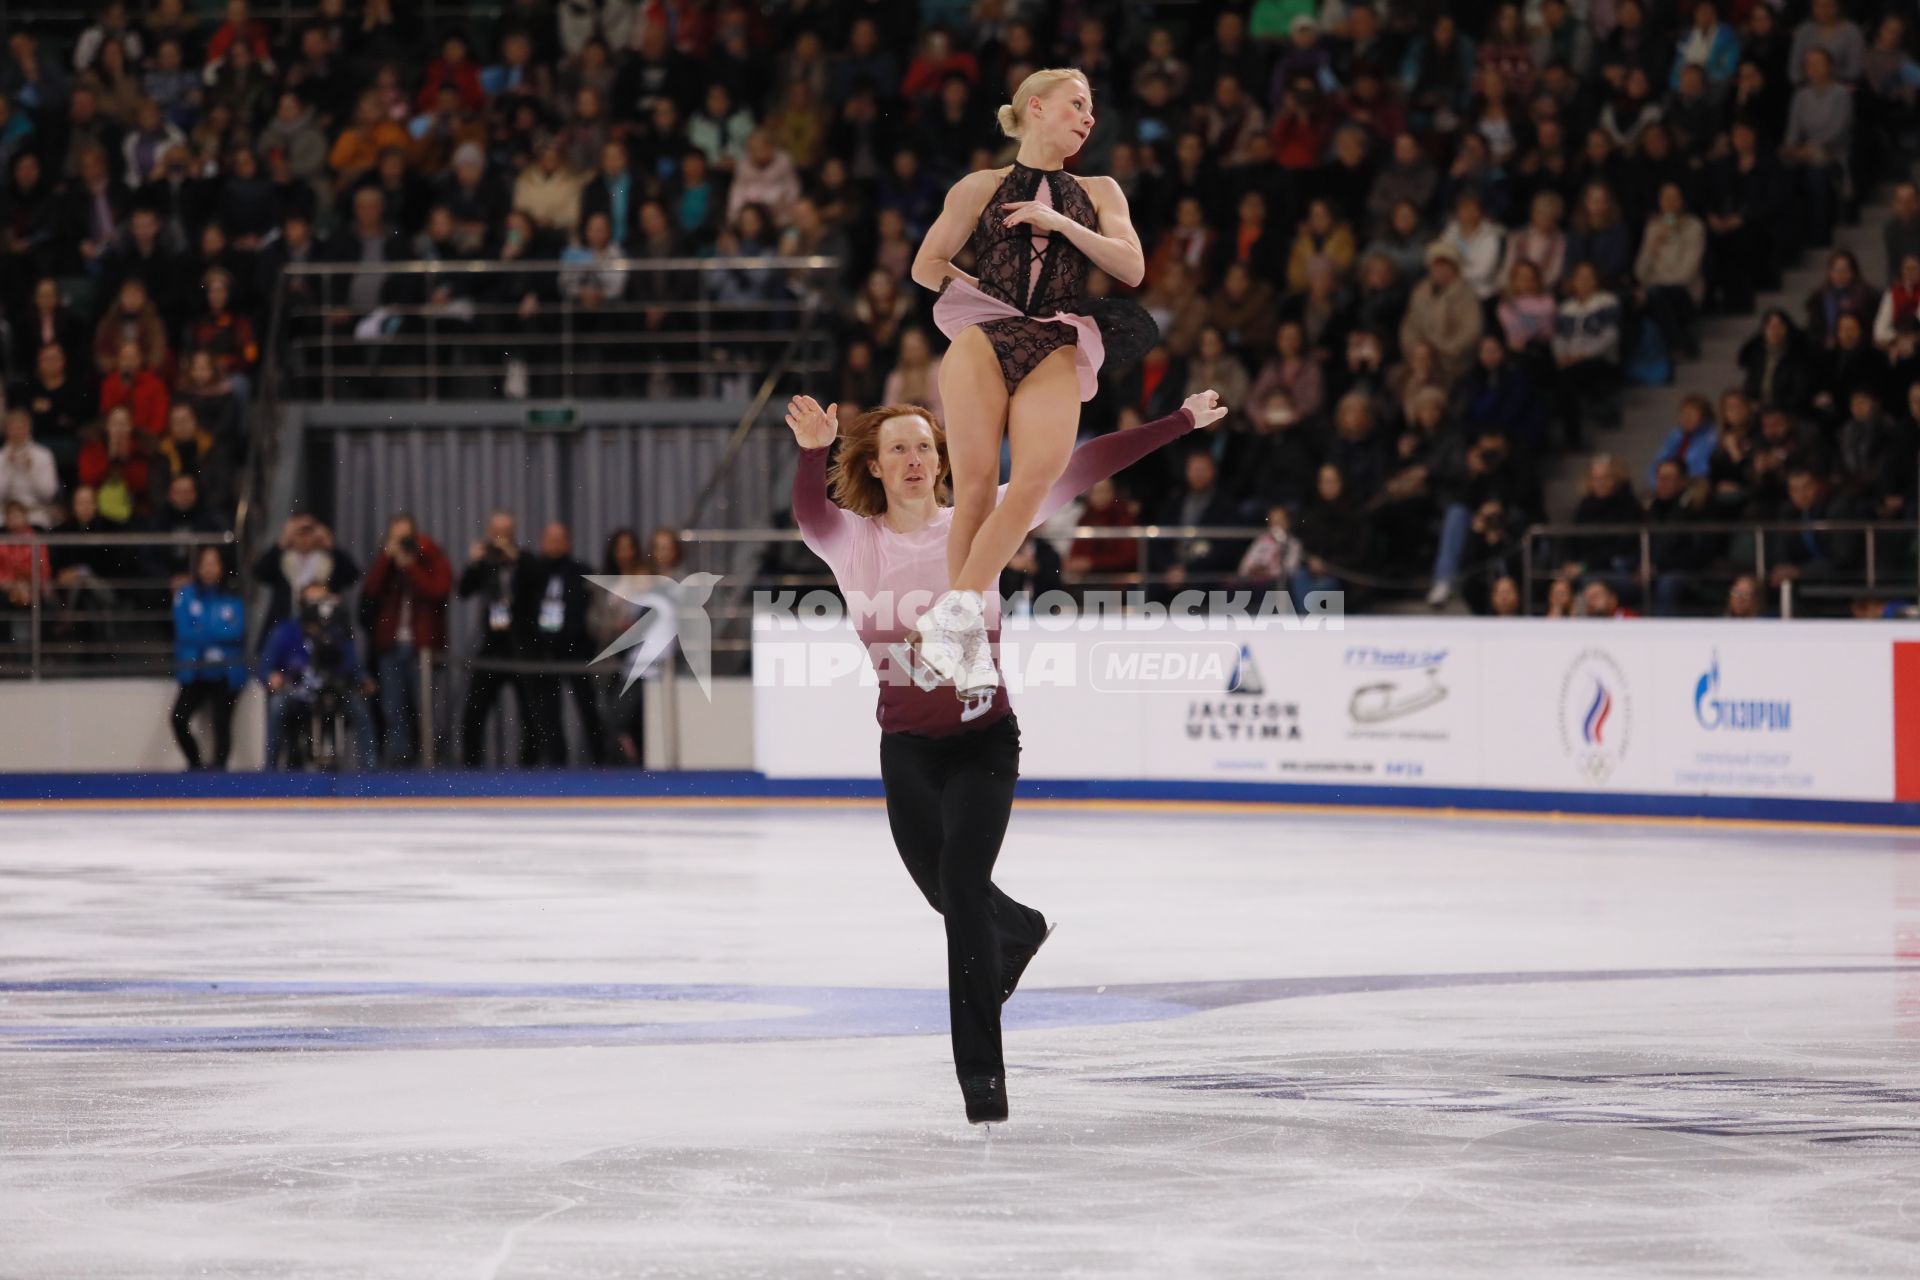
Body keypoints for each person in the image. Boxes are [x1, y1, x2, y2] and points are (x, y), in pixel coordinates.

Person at [782, 386, 1225, 1125]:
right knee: (948, 896)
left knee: (960, 888)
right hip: (907, 750)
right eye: (898, 448)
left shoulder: (982, 523)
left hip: (986, 742)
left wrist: (1178, 423)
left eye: (925, 445)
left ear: (943, 460)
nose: (915, 458)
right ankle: (1017, 928)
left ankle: (982, 1083)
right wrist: (809, 452)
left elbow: (1080, 467)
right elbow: (809, 515)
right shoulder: (853, 540)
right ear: (876, 466)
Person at [909, 67, 1154, 699]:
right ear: (1036, 108)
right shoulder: (981, 186)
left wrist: (1064, 224)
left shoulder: (1100, 190)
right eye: (1077, 104)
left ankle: (954, 612)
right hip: (984, 335)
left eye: (1093, 108)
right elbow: (925, 265)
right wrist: (984, 296)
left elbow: (1131, 265)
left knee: (1039, 478)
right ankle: (964, 634)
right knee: (976, 488)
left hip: (1054, 337)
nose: (1088, 116)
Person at [359, 513, 452, 767]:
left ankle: (432, 760)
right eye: (395, 537)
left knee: (426, 707)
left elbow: (438, 590)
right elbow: (371, 592)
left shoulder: (431, 557)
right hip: (391, 645)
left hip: (423, 646)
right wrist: (388, 558)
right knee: (393, 706)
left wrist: (412, 563)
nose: (401, 543)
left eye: (405, 538)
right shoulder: (387, 563)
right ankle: (398, 760)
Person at [515, 521, 605, 767]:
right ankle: (555, 763)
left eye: (559, 539)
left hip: (576, 649)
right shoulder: (532, 571)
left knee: (587, 708)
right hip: (543, 651)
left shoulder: (581, 571)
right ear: (542, 541)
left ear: (568, 542)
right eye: (550, 539)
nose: (555, 544)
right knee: (547, 713)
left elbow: (591, 611)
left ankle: (602, 762)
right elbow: (521, 609)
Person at [457, 510, 531, 767]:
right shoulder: (485, 563)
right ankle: (472, 766)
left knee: (530, 711)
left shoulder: (525, 560)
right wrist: (472, 563)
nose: (502, 538)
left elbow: (536, 585)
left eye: (507, 532)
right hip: (491, 644)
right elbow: (463, 590)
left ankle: (530, 767)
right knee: (474, 710)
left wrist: (516, 560)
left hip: (520, 645)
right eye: (497, 532)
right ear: (489, 533)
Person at [170, 545, 246, 771]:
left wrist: (202, 630)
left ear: (222, 567)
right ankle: (195, 765)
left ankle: (219, 773)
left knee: (222, 724)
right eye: (205, 563)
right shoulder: (186, 594)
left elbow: (237, 631)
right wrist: (215, 632)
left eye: (214, 563)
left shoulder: (232, 596)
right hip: (195, 669)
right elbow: (183, 631)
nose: (209, 568)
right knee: (178, 718)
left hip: (224, 671)